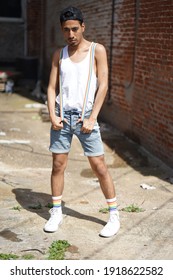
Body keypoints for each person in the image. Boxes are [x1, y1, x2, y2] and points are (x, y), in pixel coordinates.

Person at [44, 6, 120, 237]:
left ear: (83, 27)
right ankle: (56, 211)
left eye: (75, 29)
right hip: (62, 117)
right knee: (58, 165)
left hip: (85, 117)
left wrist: (92, 117)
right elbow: (50, 87)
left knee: (99, 167)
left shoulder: (97, 50)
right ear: (62, 30)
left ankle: (114, 215)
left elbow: (103, 85)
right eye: (66, 30)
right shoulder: (60, 54)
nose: (71, 34)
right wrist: (52, 114)